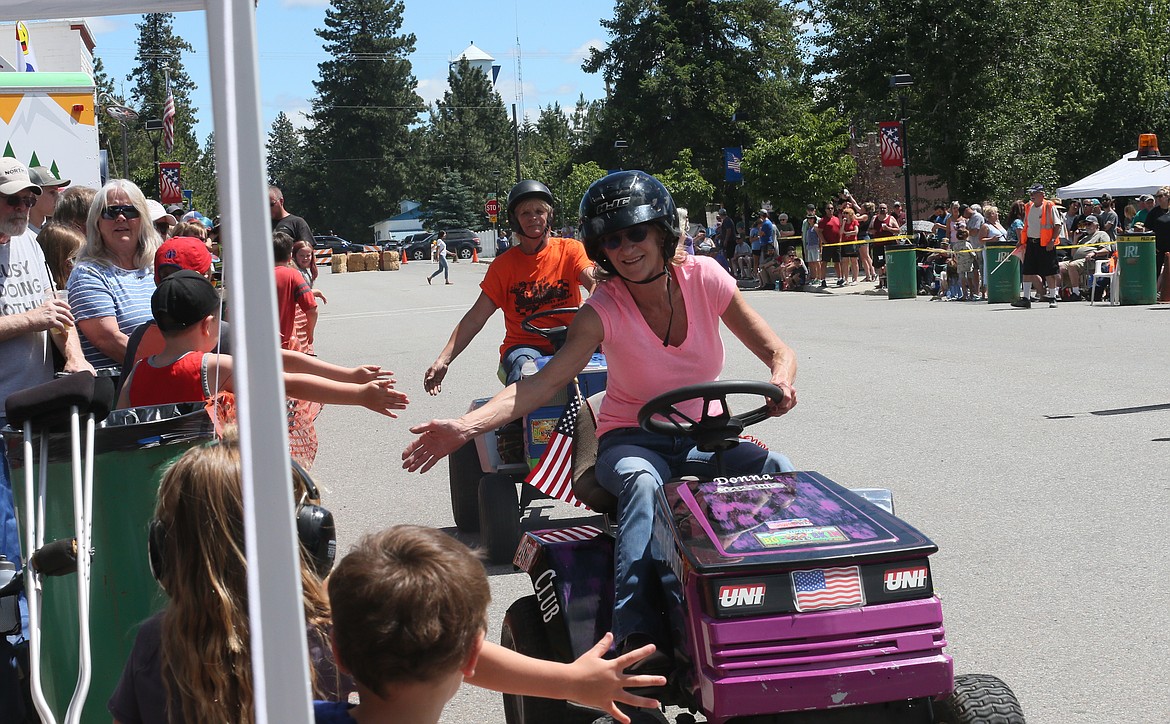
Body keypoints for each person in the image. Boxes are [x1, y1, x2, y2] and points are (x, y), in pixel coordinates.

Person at [402, 171, 797, 696]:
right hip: (632, 441)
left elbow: (778, 351)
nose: (626, 248)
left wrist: (781, 383)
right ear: (600, 249)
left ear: (660, 232)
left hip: (705, 437)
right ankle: (635, 638)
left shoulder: (706, 279)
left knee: (777, 471)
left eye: (635, 234)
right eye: (612, 240)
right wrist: (463, 426)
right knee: (641, 481)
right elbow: (539, 385)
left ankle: (790, 611)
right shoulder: (603, 310)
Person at [110, 433, 665, 724]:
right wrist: (570, 681)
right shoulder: (330, 621)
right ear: (309, 537)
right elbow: (455, 648)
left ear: (166, 551)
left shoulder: (151, 645)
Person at [0, 160, 90, 711]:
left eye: (24, 199)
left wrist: (75, 356)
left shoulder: (31, 242)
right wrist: (32, 319)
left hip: (36, 414)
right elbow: (38, 314)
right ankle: (19, 654)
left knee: (46, 534)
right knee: (10, 548)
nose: (18, 207)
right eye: (9, 199)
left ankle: (48, 649)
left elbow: (58, 313)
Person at [116, 271, 407, 417]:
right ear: (207, 324)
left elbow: (120, 424)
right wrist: (358, 394)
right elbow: (288, 382)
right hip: (213, 483)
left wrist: (350, 374)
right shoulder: (212, 366)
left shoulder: (136, 374)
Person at [423, 180, 594, 394]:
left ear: (549, 216)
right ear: (515, 220)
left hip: (572, 340)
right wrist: (443, 359)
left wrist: (595, 299)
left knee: (609, 363)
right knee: (526, 369)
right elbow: (476, 317)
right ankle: (519, 424)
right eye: (525, 213)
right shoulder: (502, 267)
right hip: (525, 346)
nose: (533, 217)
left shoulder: (571, 250)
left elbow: (593, 280)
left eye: (539, 211)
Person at [68, 179, 161, 368]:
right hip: (122, 386)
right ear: (97, 222)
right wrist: (166, 368)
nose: (120, 217)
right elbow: (109, 340)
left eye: (130, 210)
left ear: (143, 218)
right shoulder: (88, 274)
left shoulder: (157, 265)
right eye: (110, 212)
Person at [1012, 184, 1062, 309]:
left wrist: (1052, 241)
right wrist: (1022, 241)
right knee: (1027, 271)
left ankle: (1052, 297)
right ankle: (1026, 299)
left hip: (1045, 244)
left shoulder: (1049, 206)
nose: (1031, 196)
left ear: (1042, 194)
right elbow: (1026, 226)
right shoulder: (1028, 206)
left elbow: (1057, 225)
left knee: (1050, 272)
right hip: (1031, 243)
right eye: (1031, 193)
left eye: (1034, 193)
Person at [273, 231, 318, 351]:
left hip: (256, 345)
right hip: (283, 344)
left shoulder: (252, 275)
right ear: (290, 256)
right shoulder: (292, 275)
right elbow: (312, 309)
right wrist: (310, 331)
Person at [27, 165, 70, 235]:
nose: (58, 197)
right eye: (52, 192)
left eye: (58, 192)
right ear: (33, 195)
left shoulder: (52, 234)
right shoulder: (18, 237)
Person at [816, 200, 841, 288]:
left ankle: (839, 278)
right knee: (824, 262)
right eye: (828, 208)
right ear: (825, 210)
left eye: (832, 208)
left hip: (836, 244)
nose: (830, 210)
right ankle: (822, 279)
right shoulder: (823, 221)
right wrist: (824, 241)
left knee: (837, 262)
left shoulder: (837, 219)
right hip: (828, 244)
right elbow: (819, 232)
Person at [802, 204, 822, 287]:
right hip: (808, 246)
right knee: (811, 262)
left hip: (815, 246)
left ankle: (819, 277)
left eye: (811, 218)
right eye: (808, 218)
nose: (810, 219)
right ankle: (813, 277)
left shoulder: (816, 225)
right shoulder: (806, 224)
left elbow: (820, 237)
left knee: (817, 262)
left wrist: (821, 247)